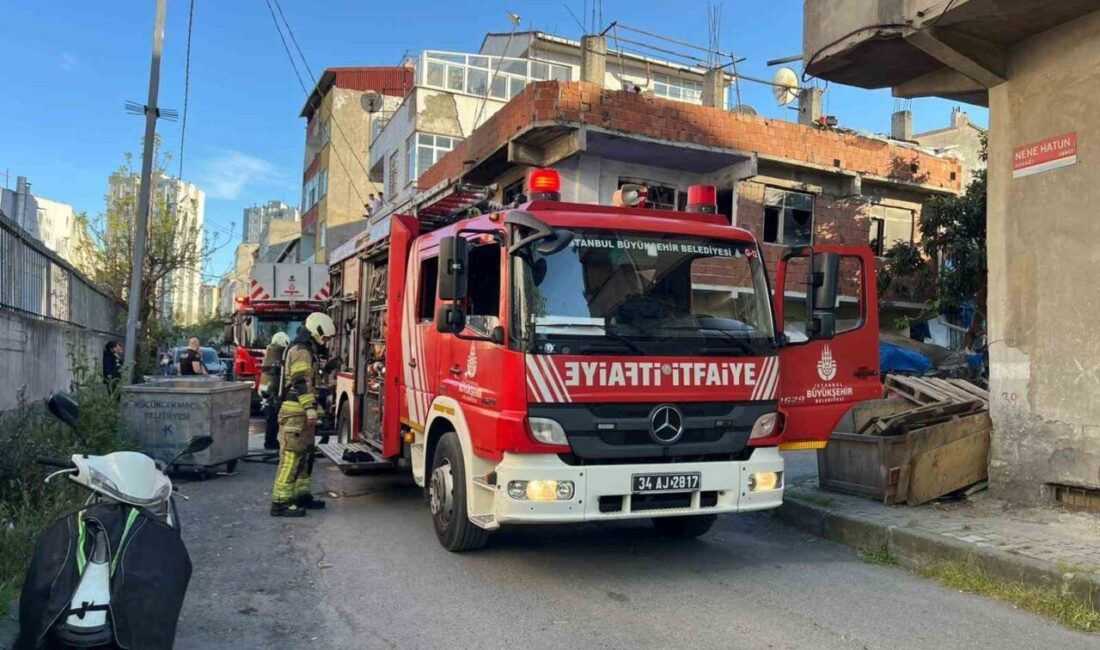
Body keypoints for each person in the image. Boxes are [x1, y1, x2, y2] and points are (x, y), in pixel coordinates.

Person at [270, 313, 335, 517]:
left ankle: (301, 495)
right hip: (295, 414)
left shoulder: (307, 350)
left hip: (301, 414)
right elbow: (300, 381)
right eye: (324, 338)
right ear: (317, 331)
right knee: (291, 457)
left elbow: (310, 384)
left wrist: (317, 408)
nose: (325, 342)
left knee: (305, 457)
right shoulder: (301, 351)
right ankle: (280, 502)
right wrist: (309, 408)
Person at [259, 331, 291, 451]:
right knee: (272, 418)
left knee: (271, 418)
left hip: (266, 389)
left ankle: (271, 441)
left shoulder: (271, 352)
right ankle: (270, 442)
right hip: (271, 391)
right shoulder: (277, 352)